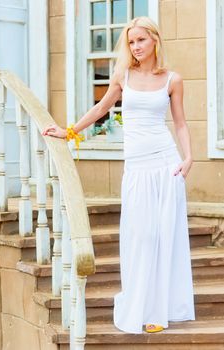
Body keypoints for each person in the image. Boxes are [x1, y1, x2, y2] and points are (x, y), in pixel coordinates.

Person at [42, 16, 195, 334]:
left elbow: (179, 123)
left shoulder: (172, 79)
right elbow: (100, 110)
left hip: (166, 163)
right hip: (136, 167)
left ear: (154, 39)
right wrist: (68, 131)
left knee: (165, 235)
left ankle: (158, 311)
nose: (135, 46)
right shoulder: (123, 75)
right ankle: (139, 303)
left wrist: (189, 158)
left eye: (141, 40)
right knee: (142, 235)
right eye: (131, 42)